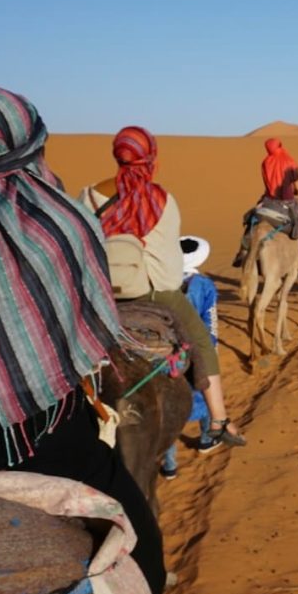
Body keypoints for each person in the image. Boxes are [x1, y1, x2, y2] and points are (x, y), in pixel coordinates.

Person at [0, 87, 166, 594]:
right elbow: (84, 330)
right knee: (135, 529)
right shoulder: (60, 219)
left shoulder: (89, 195)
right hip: (39, 434)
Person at [80, 126, 245, 454]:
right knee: (200, 341)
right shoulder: (161, 200)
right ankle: (218, 419)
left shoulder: (88, 195)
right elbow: (170, 260)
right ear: (150, 156)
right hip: (154, 292)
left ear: (118, 155)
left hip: (100, 296)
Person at [160, 237, 214, 478]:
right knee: (205, 389)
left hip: (164, 352)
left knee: (167, 405)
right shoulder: (204, 285)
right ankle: (206, 438)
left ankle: (169, 464)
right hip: (193, 349)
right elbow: (210, 321)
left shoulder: (160, 282)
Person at [235, 138, 298, 276]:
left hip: (268, 199)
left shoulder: (265, 162)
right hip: (287, 200)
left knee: (252, 218)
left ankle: (242, 251)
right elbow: (297, 186)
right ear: (280, 146)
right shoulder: (289, 161)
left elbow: (266, 182)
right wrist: (296, 191)